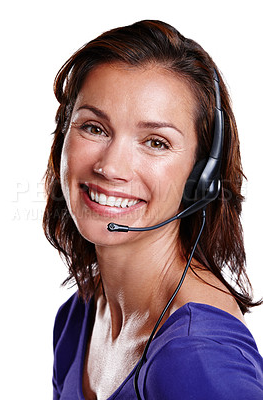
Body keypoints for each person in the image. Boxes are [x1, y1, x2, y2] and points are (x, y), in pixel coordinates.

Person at [43, 20, 263, 400]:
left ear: (200, 175)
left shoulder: (197, 356)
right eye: (94, 128)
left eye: (156, 142)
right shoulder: (78, 317)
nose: (110, 167)